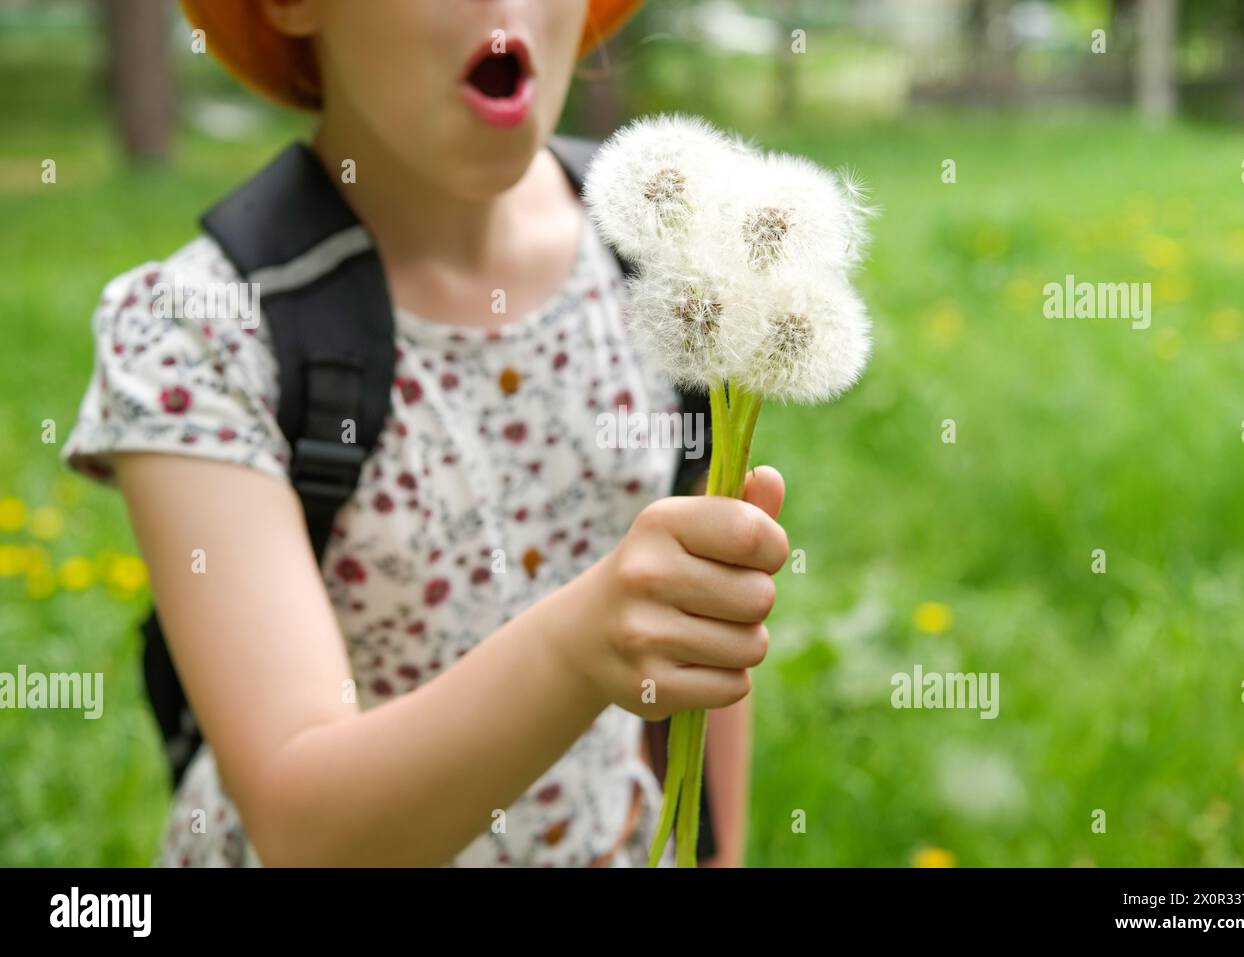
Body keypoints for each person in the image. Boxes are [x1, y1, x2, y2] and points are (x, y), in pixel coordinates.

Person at [60, 0, 788, 867]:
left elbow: (699, 635)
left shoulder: (659, 260)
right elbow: (304, 829)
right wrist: (583, 644)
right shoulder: (203, 328)